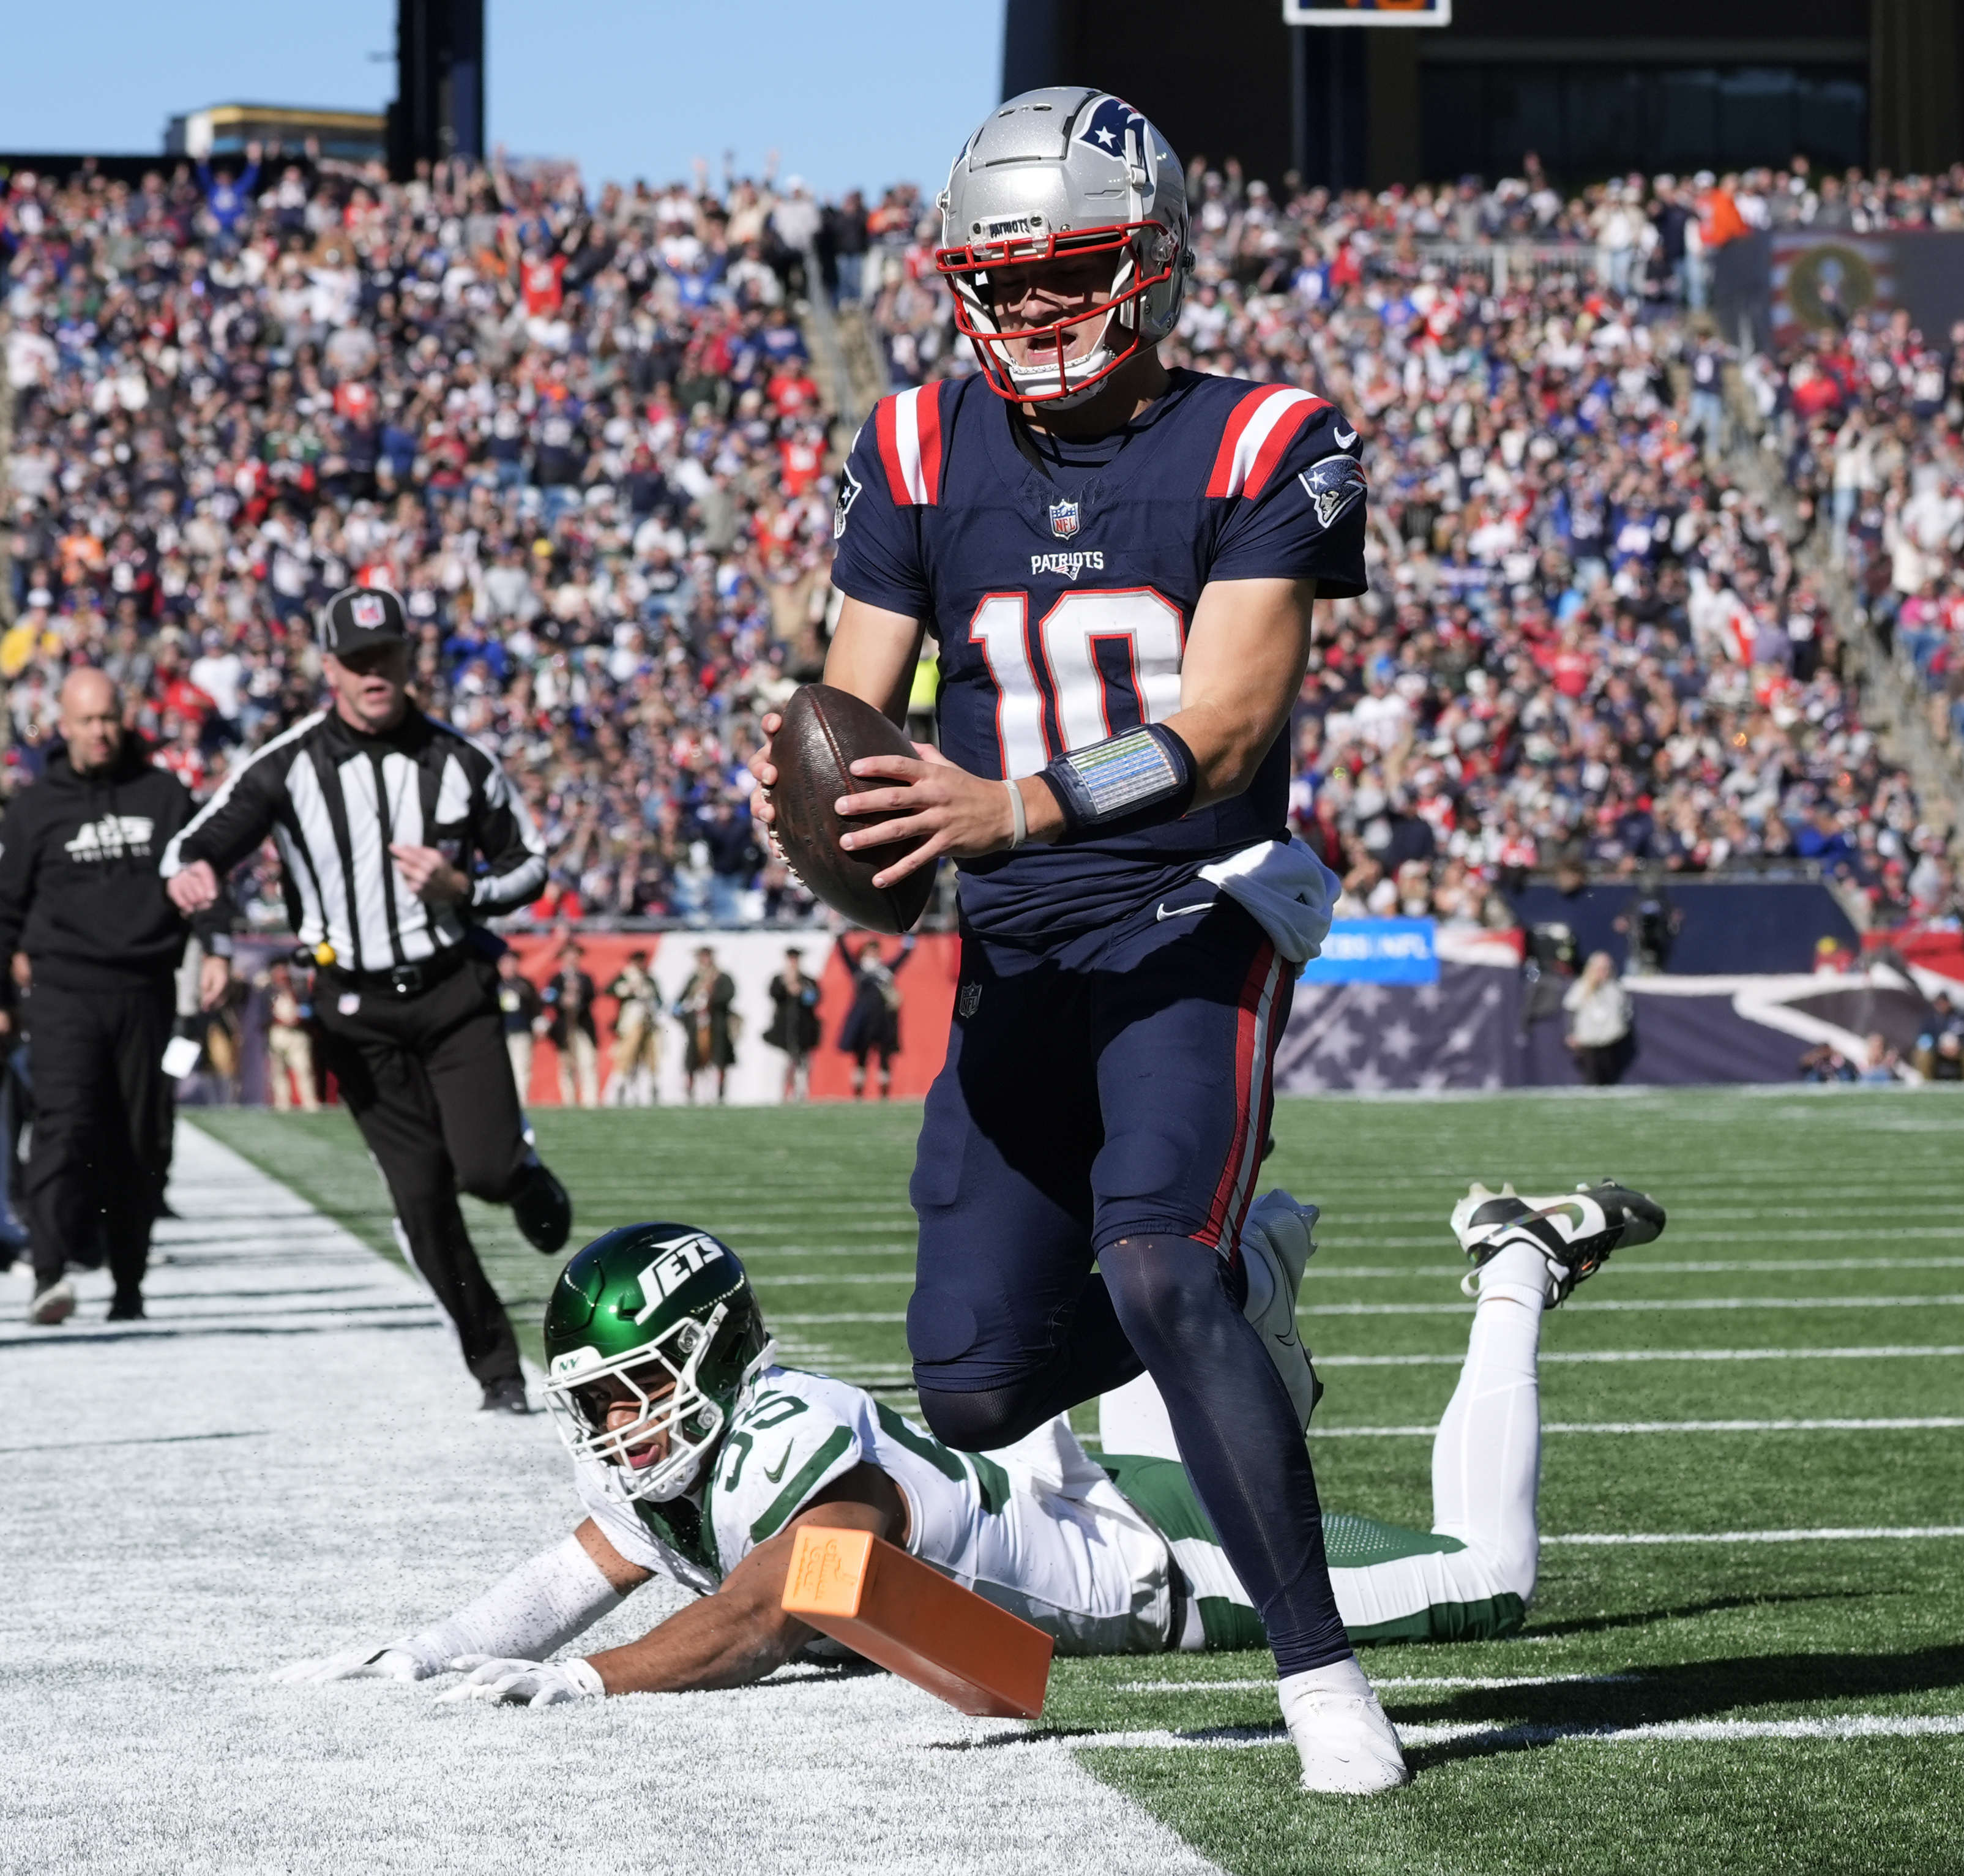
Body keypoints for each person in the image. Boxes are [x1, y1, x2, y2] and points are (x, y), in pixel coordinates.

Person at [747, 89, 1402, 1790]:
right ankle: (1245, 1276)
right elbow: (853, 692)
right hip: (1014, 945)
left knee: (1150, 1262)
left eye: (1072, 274)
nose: (1032, 313)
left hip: (1193, 914)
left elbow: (1231, 722)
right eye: (1001, 279)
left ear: (1155, 261)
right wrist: (828, 796)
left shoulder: (1270, 438)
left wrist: (1006, 806)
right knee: (971, 1387)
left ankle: (1318, 1673)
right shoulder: (907, 446)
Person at [272, 1177, 1662, 1720]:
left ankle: (1515, 1264)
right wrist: (434, 1645)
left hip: (1158, 1560)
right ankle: (1251, 1283)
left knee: (1488, 1573)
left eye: (631, 1387)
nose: (612, 1424)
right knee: (1190, 1369)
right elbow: (578, 1562)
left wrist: (583, 1678)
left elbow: (776, 1600)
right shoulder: (677, 1461)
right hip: (1075, 1491)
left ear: (701, 1356)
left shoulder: (786, 1429)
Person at [160, 586, 574, 1413]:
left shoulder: (460, 761)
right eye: (356, 661)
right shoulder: (289, 763)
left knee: (485, 1167)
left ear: (409, 660)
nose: (373, 674)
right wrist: (194, 875)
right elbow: (193, 840)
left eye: (386, 656)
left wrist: (467, 887)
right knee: (419, 1199)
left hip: (452, 992)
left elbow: (530, 866)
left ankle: (521, 1176)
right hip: (355, 1014)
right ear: (329, 669)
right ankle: (495, 1367)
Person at [0, 669, 228, 1326]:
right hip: (63, 993)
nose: (99, 732)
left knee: (139, 1140)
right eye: (86, 721)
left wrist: (216, 946)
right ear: (63, 724)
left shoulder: (163, 793)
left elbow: (200, 874)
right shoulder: (36, 805)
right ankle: (51, 1271)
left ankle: (129, 1282)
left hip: (144, 989)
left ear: (126, 717)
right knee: (62, 1130)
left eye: (109, 718)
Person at [831, 930, 902, 1099]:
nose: (873, 953)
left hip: (883, 1019)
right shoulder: (858, 970)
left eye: (875, 950)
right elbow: (844, 954)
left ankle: (884, 1093)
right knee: (861, 1057)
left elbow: (903, 957)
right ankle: (858, 1093)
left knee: (885, 1057)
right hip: (863, 1020)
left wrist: (911, 937)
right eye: (870, 950)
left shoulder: (885, 971)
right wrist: (838, 934)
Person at [542, 940, 602, 1106]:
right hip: (564, 1027)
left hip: (582, 1026)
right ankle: (569, 1100)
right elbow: (548, 998)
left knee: (587, 1062)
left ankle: (590, 1100)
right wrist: (562, 1000)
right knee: (566, 1065)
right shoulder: (556, 979)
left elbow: (592, 996)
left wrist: (578, 996)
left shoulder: (585, 978)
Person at [1562, 951, 1634, 1086]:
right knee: (1592, 1078)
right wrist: (1571, 1033)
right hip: (1588, 1041)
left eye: (1606, 969)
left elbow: (1626, 1012)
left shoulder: (1615, 989)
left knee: (1609, 1077)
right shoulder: (1581, 987)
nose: (1603, 972)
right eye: (1599, 969)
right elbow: (1571, 1009)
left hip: (1611, 1040)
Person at [673, 946, 733, 1105]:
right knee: (692, 1056)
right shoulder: (694, 979)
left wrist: (712, 997)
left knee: (720, 1057)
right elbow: (680, 1000)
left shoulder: (721, 977)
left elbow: (729, 995)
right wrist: (679, 1012)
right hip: (697, 1025)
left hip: (716, 1024)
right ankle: (690, 1091)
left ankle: (720, 1091)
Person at [607, 957, 666, 1107]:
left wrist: (648, 999)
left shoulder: (649, 980)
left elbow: (659, 1001)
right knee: (627, 1055)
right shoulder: (625, 977)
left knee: (652, 1056)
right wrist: (628, 989)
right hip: (630, 1024)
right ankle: (621, 1088)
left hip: (648, 1024)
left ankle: (654, 1089)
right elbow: (609, 990)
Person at [765, 949, 821, 1101]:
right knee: (784, 1064)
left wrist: (801, 989)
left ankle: (802, 1094)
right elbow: (774, 994)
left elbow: (814, 1000)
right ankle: (783, 1094)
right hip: (783, 1030)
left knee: (803, 1065)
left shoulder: (808, 981)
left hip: (803, 1029)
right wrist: (787, 985)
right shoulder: (779, 979)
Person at [264, 962, 317, 1108]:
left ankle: (310, 1104)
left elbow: (309, 1010)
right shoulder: (269, 992)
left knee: (303, 1069)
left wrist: (298, 1018)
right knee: (278, 1072)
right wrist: (278, 1020)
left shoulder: (299, 990)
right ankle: (283, 1105)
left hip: (297, 1033)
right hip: (278, 1033)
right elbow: (263, 1015)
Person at [495, 951, 537, 1103]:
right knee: (501, 1068)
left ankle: (521, 1101)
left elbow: (535, 1007)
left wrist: (537, 1022)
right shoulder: (494, 984)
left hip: (521, 1030)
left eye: (511, 962)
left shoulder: (525, 984)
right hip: (498, 1033)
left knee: (522, 1067)